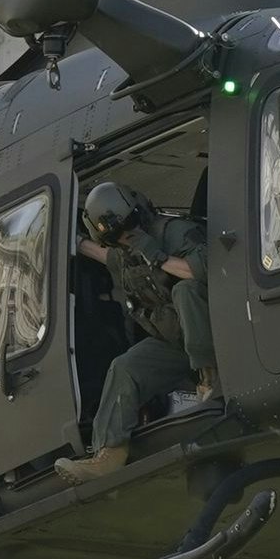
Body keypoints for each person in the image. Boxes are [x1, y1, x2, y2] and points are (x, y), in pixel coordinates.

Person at [65, 180, 213, 481]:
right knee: (125, 367)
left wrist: (160, 257)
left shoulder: (173, 232)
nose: (126, 236)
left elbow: (205, 268)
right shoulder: (124, 250)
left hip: (215, 331)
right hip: (177, 342)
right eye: (117, 235)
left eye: (129, 226)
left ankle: (209, 385)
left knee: (184, 291)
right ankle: (108, 454)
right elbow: (109, 257)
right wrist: (78, 243)